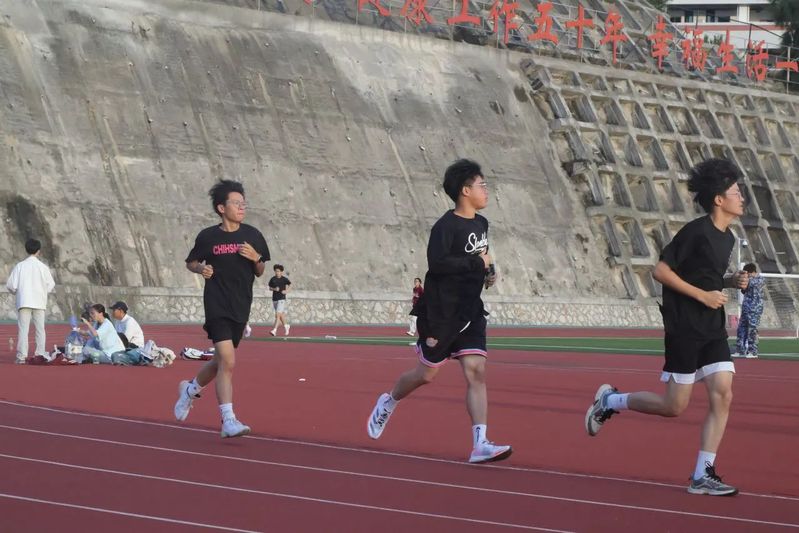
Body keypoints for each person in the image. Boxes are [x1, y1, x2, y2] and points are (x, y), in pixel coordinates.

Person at [585, 158, 749, 496]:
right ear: (719, 199)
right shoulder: (696, 231)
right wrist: (703, 296)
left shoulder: (728, 239)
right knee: (674, 407)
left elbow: (705, 276)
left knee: (723, 394)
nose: (742, 197)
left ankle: (703, 474)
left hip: (712, 328)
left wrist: (729, 281)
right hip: (684, 327)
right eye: (736, 192)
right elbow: (661, 271)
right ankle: (611, 401)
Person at [367, 159, 511, 464]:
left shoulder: (482, 224)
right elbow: (439, 265)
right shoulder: (445, 227)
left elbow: (483, 256)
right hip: (441, 314)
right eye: (482, 185)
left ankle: (480, 443)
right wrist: (477, 263)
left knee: (477, 372)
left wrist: (489, 271)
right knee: (426, 375)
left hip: (470, 312)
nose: (487, 191)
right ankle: (389, 401)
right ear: (465, 190)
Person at [173, 179, 269, 438]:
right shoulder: (208, 237)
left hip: (241, 306)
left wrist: (256, 258)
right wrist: (201, 268)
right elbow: (191, 262)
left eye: (243, 203)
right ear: (221, 208)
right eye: (236, 203)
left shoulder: (252, 235)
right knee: (228, 360)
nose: (242, 207)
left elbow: (260, 271)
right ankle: (228, 420)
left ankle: (189, 390)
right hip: (216, 304)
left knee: (220, 362)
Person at [5, 239, 56, 364]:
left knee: (23, 330)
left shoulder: (20, 266)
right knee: (40, 329)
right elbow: (51, 284)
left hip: (24, 300)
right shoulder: (43, 267)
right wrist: (43, 292)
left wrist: (16, 292)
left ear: (26, 250)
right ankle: (40, 354)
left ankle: (22, 356)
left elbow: (11, 285)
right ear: (38, 251)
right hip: (39, 301)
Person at [735, 263, 764, 359]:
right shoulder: (749, 280)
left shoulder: (760, 279)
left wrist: (743, 278)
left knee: (752, 330)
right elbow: (743, 289)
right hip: (746, 307)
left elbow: (749, 283)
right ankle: (740, 350)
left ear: (751, 272)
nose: (746, 276)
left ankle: (753, 351)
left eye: (747, 274)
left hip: (755, 308)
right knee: (741, 328)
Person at [268, 264, 291, 336]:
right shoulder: (273, 279)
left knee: (277, 315)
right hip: (275, 299)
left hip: (282, 299)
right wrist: (274, 289)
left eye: (278, 271)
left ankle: (274, 330)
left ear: (281, 272)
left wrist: (286, 291)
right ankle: (286, 326)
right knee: (281, 315)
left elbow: (290, 284)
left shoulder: (284, 279)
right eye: (276, 271)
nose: (277, 272)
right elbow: (270, 288)